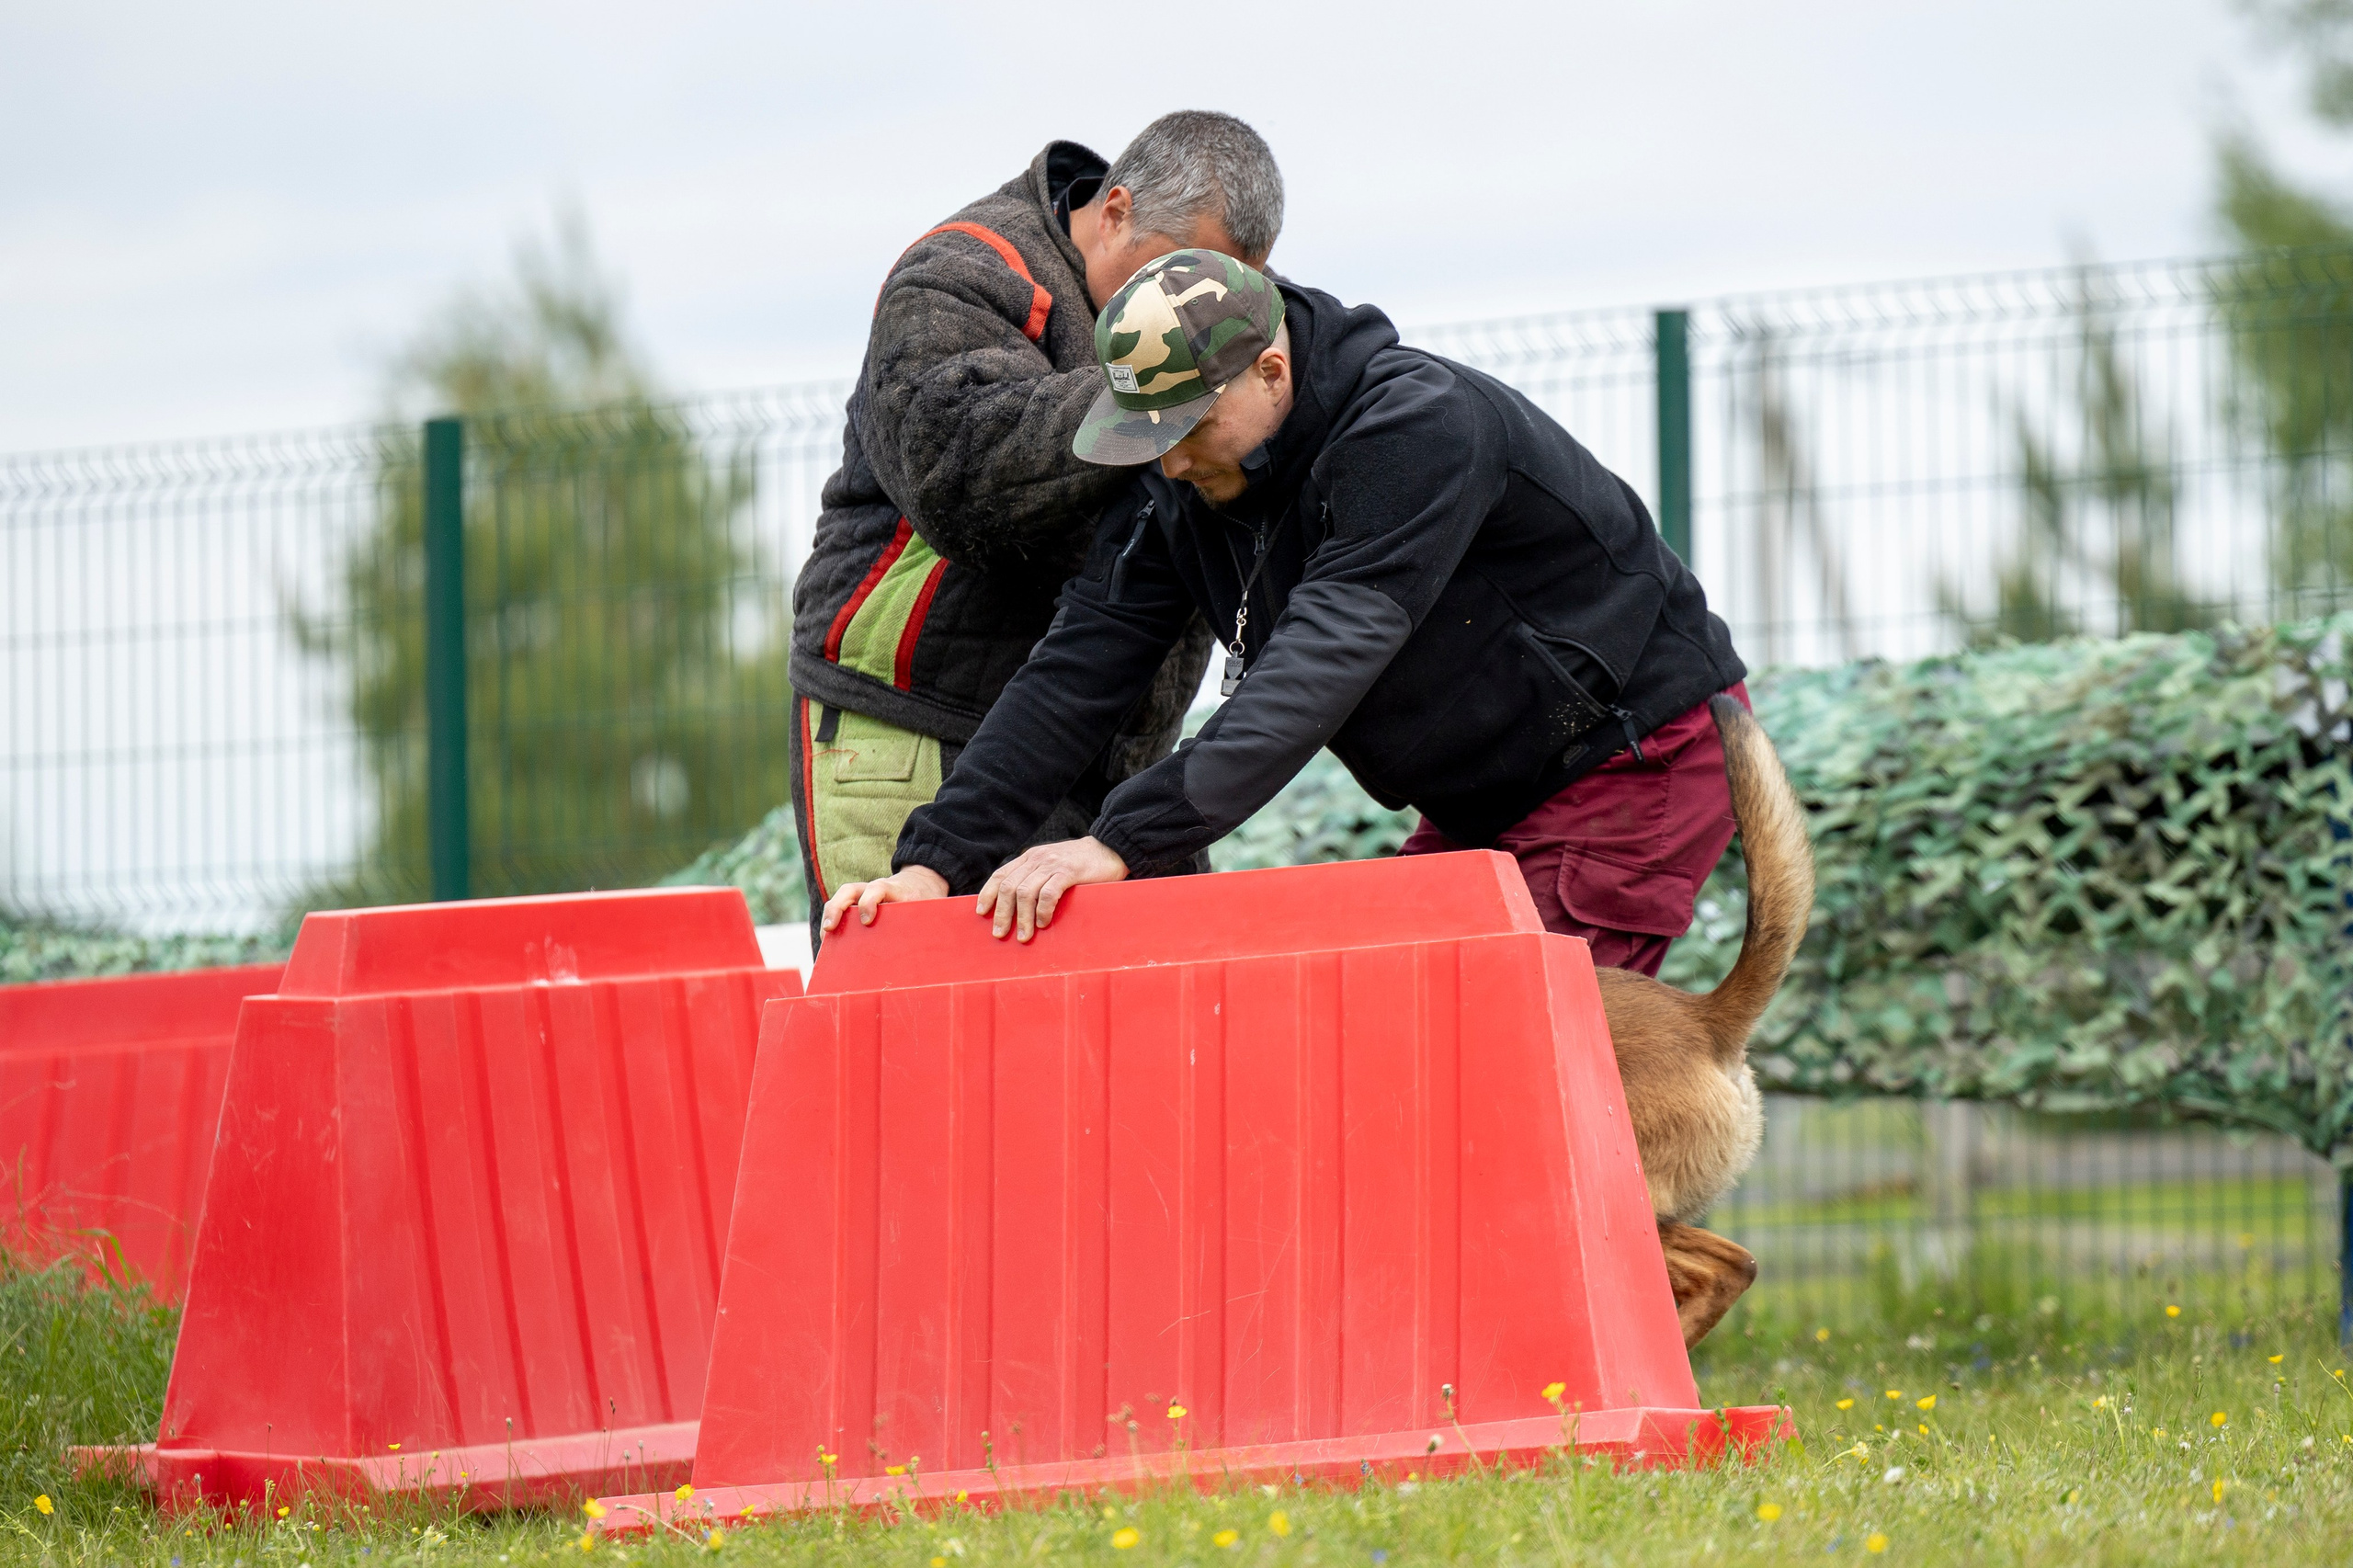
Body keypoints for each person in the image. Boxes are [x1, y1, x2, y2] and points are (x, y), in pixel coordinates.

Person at [823, 249, 1754, 970]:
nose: (1171, 462)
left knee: (1507, 1055)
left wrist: (1120, 840)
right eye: (1149, 435)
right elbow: (1078, 665)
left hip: (1630, 758)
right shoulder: (1180, 479)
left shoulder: (1417, 428)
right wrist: (935, 863)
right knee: (1405, 1025)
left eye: (1190, 428)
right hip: (1489, 791)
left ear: (1271, 370)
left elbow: (1319, 662)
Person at [789, 113, 1285, 945]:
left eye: (1220, 289)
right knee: (918, 1007)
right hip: (917, 727)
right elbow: (961, 480)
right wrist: (1162, 391)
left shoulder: (1224, 313)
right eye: (1176, 275)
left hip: (1108, 750)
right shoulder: (961, 276)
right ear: (1116, 212)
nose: (1193, 313)